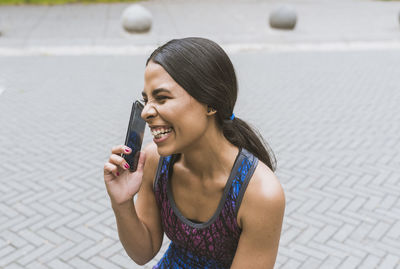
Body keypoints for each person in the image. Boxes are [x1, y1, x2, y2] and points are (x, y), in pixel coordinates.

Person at [103, 37, 285, 268]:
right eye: (146, 99)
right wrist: (122, 204)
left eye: (162, 98)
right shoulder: (155, 162)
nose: (146, 112)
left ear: (211, 103)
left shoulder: (260, 193)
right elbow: (143, 252)